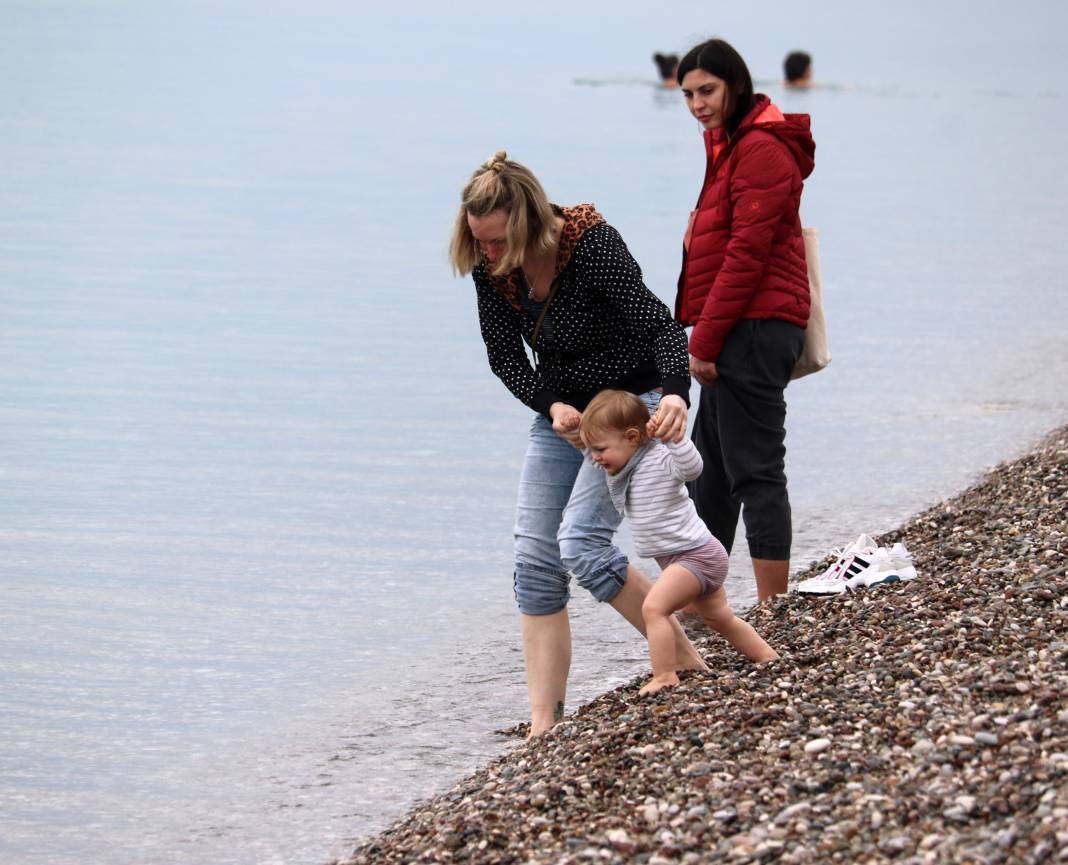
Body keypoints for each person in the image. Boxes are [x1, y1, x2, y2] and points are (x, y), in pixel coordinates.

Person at [449, 151, 707, 736]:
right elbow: (504, 358)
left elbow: (661, 326)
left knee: (582, 544)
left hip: (630, 406)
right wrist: (550, 405)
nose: (488, 253)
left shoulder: (592, 246)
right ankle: (543, 725)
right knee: (534, 560)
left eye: (497, 241)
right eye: (479, 242)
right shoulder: (492, 269)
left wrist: (676, 394)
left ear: (527, 223)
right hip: (564, 416)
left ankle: (685, 664)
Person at [673, 39, 816, 601]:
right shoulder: (730, 146)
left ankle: (773, 605)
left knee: (755, 471)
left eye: (706, 91)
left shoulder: (760, 150)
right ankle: (703, 602)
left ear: (735, 85)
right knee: (711, 471)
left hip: (754, 328)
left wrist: (704, 341)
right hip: (736, 325)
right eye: (688, 95)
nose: (697, 105)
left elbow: (746, 255)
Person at [579, 390, 778, 695]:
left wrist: (675, 440)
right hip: (687, 557)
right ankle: (767, 657)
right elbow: (603, 456)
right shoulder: (625, 469)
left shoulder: (660, 457)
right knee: (719, 618)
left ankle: (664, 675)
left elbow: (693, 468)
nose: (595, 457)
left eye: (600, 449)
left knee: (653, 608)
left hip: (697, 555)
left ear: (632, 437)